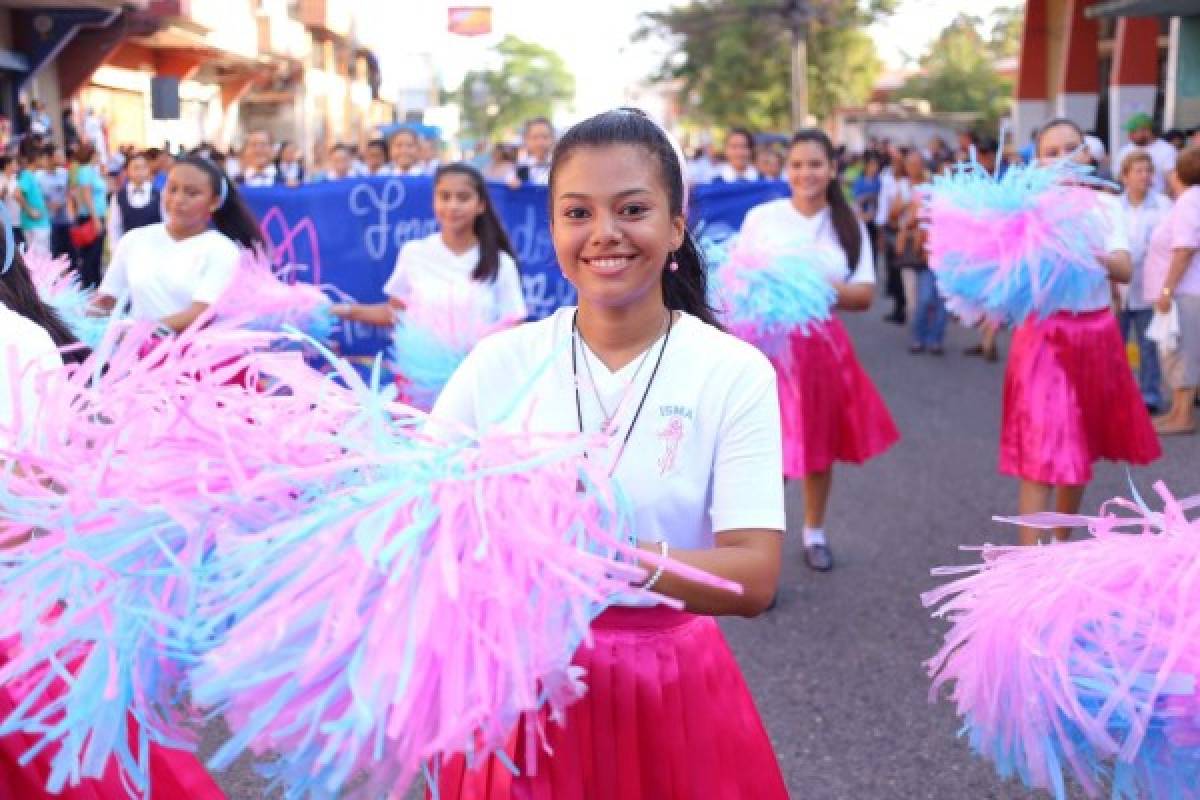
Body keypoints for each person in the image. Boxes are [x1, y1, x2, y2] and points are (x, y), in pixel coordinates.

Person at [430, 107, 787, 800]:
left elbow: (754, 576)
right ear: (555, 228)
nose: (604, 235)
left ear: (676, 225)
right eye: (577, 213)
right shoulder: (498, 362)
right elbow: (418, 522)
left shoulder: (734, 371)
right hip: (516, 684)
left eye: (632, 209)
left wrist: (600, 555)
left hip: (668, 686)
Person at [738, 130, 899, 572]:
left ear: (832, 170)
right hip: (768, 349)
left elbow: (864, 294)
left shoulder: (848, 225)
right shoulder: (762, 218)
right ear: (785, 169)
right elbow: (738, 281)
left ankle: (814, 531)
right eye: (798, 165)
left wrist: (809, 287)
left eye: (815, 164)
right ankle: (760, 550)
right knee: (768, 454)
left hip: (822, 350)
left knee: (817, 445)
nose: (806, 173)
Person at [1002, 118, 1160, 546]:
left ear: (1089, 156)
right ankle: (1028, 572)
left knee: (1078, 449)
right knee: (1040, 453)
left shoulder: (1107, 206)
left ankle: (1059, 543)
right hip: (1043, 337)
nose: (1062, 159)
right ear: (1037, 161)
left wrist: (1085, 249)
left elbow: (1125, 270)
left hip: (1094, 336)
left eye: (1071, 149)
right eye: (1050, 152)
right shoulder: (1025, 209)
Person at [331, 163, 525, 333]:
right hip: (420, 373)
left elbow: (514, 325)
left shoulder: (500, 263)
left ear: (480, 205)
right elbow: (396, 312)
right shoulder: (414, 253)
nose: (453, 206)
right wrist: (344, 310)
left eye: (463, 198)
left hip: (480, 371)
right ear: (434, 201)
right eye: (444, 196)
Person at [92, 155, 264, 332]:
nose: (178, 199)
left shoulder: (223, 250)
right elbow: (106, 300)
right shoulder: (134, 239)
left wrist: (138, 332)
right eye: (172, 189)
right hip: (134, 355)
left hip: (193, 355)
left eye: (192, 193)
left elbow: (202, 314)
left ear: (214, 202)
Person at [1145, 145, 1200, 435]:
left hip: (1185, 291)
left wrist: (1166, 290)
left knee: (1183, 352)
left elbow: (1184, 249)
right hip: (1186, 290)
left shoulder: (1190, 200)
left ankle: (1183, 417)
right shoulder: (1190, 199)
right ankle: (1177, 412)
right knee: (1178, 351)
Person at [1117, 150, 1172, 413]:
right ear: (1124, 176)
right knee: (1114, 347)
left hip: (1149, 287)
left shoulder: (1163, 206)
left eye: (1148, 171)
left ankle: (1150, 395)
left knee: (1149, 346)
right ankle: (1116, 395)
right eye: (1138, 171)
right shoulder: (1114, 207)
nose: (1144, 176)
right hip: (1118, 289)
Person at [69, 143, 108, 289]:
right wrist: (95, 218)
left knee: (95, 254)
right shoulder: (85, 170)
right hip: (92, 217)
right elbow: (86, 195)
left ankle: (93, 284)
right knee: (91, 255)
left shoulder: (92, 171)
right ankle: (91, 285)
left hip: (96, 215)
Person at [1116, 113, 1178, 198]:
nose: (1129, 135)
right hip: (1129, 201)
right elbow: (1119, 177)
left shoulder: (1167, 150)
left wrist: (1164, 200)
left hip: (1157, 202)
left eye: (1133, 131)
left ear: (1147, 131)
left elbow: (1173, 181)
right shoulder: (1125, 150)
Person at [107, 150, 162, 245]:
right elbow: (114, 227)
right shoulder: (119, 196)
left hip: (155, 248)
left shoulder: (159, 195)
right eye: (136, 168)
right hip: (129, 249)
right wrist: (116, 251)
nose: (140, 172)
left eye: (144, 167)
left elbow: (166, 223)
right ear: (127, 171)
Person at [14, 145, 50, 252]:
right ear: (36, 159)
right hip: (35, 225)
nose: (45, 161)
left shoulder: (32, 175)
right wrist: (30, 211)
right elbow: (17, 194)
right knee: (39, 257)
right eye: (43, 158)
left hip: (39, 223)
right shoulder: (27, 175)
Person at [510, 116, 554, 187]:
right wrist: (512, 180)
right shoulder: (522, 165)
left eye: (545, 137)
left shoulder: (558, 164)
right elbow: (510, 176)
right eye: (535, 137)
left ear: (552, 138)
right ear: (526, 140)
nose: (540, 143)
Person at [1, 155, 24, 248]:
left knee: (21, 247)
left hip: (19, 221)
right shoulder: (1, 179)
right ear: (7, 166)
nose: (17, 166)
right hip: (6, 222)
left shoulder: (16, 179)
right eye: (14, 163)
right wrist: (3, 192)